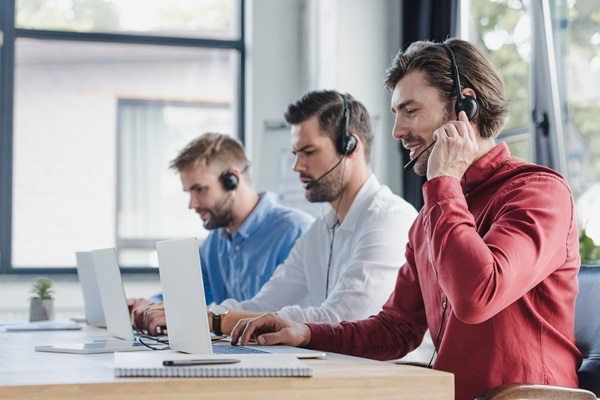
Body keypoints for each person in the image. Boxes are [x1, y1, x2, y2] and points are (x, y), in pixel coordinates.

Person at [230, 39, 582, 400]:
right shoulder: (435, 213)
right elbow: (397, 330)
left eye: (410, 111)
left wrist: (443, 181)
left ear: (466, 107)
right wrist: (304, 332)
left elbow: (477, 295)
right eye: (397, 114)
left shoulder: (537, 193)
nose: (397, 131)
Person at [138, 90, 431, 363]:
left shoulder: (388, 220)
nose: (297, 167)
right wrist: (201, 315)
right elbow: (264, 302)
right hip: (334, 375)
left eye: (309, 152)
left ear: (350, 146)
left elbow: (340, 318)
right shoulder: (320, 230)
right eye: (295, 154)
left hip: (385, 383)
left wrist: (213, 319)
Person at [129, 132, 314, 330]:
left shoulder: (294, 231)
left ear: (232, 180)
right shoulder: (213, 244)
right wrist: (148, 306)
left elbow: (286, 316)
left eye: (200, 189)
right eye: (189, 192)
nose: (192, 204)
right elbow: (190, 298)